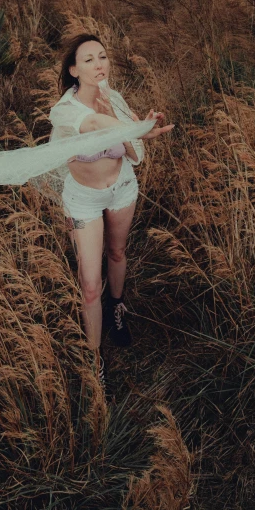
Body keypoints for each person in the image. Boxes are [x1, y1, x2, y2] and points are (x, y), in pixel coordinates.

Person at [49, 33, 174, 395]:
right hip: (84, 199)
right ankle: (94, 358)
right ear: (73, 70)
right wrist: (134, 127)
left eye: (102, 57)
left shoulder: (114, 99)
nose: (98, 64)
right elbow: (94, 127)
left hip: (121, 188)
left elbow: (133, 153)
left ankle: (117, 308)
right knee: (89, 285)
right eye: (88, 60)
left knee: (117, 253)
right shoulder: (65, 111)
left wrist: (139, 133)